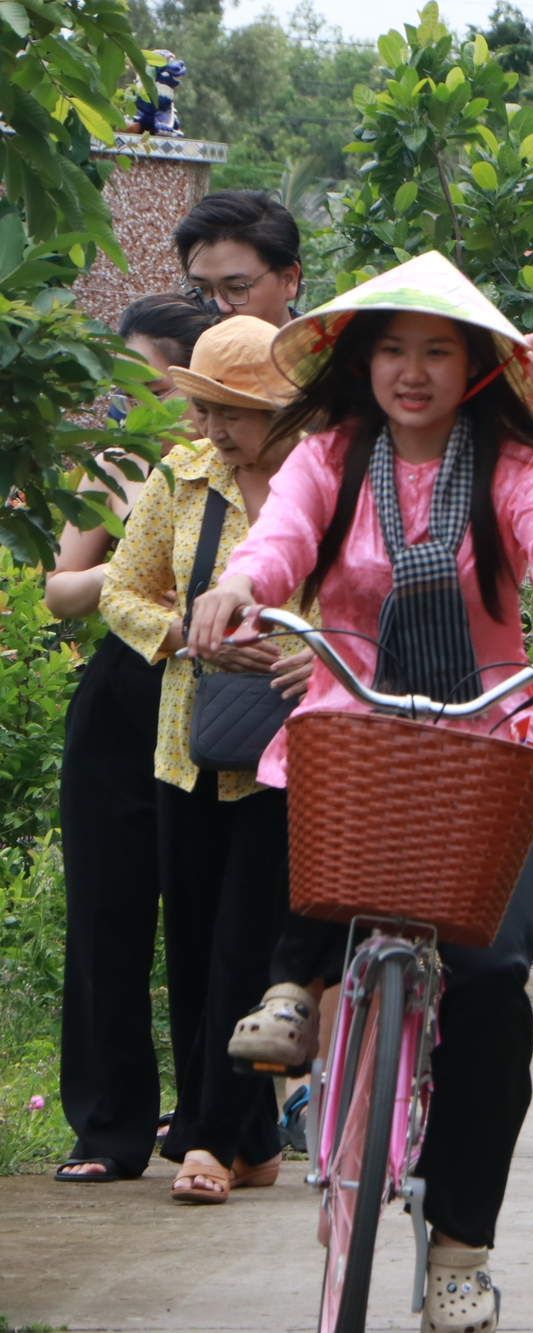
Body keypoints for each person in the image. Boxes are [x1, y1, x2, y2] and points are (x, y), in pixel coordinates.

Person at [188, 252, 533, 1333]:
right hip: (358, 721)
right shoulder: (331, 450)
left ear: (474, 367)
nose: (410, 372)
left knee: (492, 986)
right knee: (318, 766)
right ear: (360, 359)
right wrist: (240, 583)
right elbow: (278, 544)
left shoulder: (510, 460)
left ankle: (460, 1247)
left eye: (435, 351)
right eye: (391, 349)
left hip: (489, 735)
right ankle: (296, 984)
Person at [99, 315, 314, 1204]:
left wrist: (318, 654)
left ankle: (207, 1144)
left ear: (285, 412)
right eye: (208, 408)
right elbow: (121, 589)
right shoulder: (182, 479)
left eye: (237, 412)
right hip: (191, 748)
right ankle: (254, 1143)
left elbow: (362, 593)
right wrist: (187, 635)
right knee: (191, 950)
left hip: (296, 754)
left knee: (244, 946)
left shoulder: (326, 482)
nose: (217, 429)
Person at [49, 295, 216, 1183]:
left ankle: (201, 1122)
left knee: (200, 912)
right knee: (105, 914)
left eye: (144, 385)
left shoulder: (234, 466)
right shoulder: (116, 469)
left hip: (210, 698)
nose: (128, 406)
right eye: (117, 390)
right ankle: (108, 1127)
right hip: (119, 697)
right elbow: (59, 590)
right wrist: (138, 562)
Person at [173, 190, 302, 328]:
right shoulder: (174, 348)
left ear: (289, 280)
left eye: (236, 288)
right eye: (200, 289)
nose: (218, 308)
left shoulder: (322, 348)